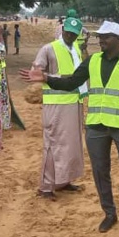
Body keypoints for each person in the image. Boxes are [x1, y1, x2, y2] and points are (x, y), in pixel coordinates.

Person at [21, 21, 119, 232]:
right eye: (99, 36)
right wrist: (46, 78)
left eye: (106, 36)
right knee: (100, 172)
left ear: (118, 39)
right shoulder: (92, 61)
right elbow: (71, 82)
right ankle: (109, 214)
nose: (101, 40)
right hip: (96, 127)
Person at [32, 17, 87, 200]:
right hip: (56, 104)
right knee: (53, 144)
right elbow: (36, 71)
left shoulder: (75, 49)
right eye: (68, 32)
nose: (70, 36)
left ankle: (64, 180)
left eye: (74, 34)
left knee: (71, 145)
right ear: (62, 30)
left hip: (74, 101)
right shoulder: (49, 49)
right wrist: (50, 78)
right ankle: (46, 186)